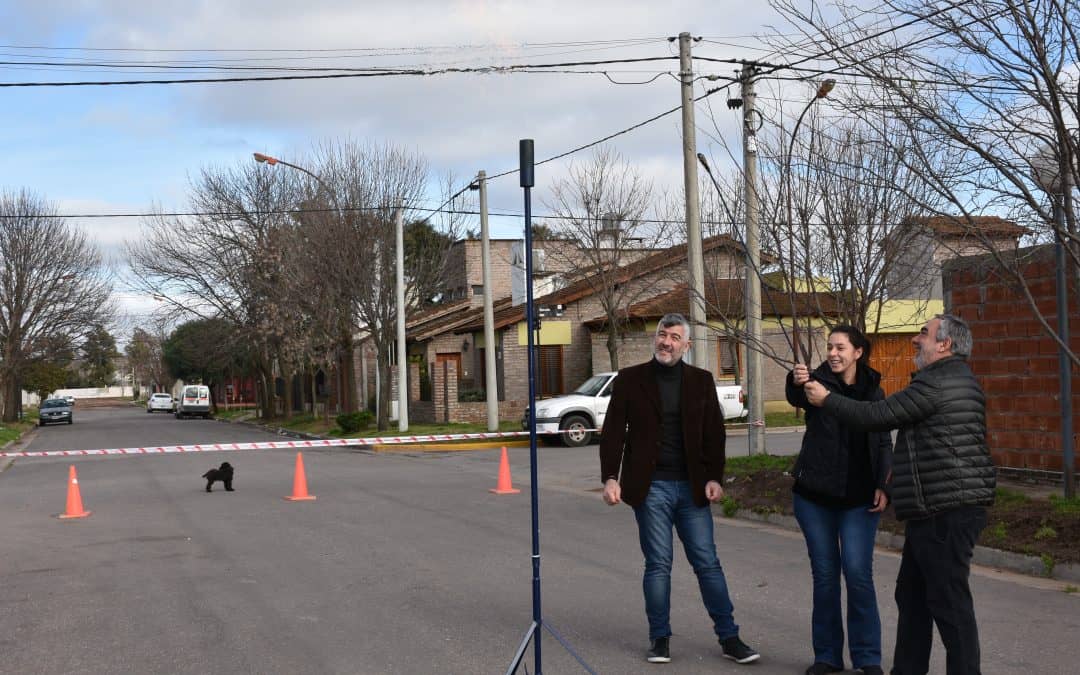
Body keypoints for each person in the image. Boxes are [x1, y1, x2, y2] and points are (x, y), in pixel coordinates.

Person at [804, 314, 995, 675]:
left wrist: (828, 399)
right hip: (935, 509)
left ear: (945, 344)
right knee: (912, 596)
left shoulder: (938, 383)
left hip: (948, 510)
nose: (915, 339)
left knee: (949, 603)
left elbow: (879, 414)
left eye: (924, 333)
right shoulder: (952, 379)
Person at [599, 313, 759, 665]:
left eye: (674, 337)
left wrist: (715, 477)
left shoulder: (701, 381)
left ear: (686, 345)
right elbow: (612, 432)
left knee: (708, 563)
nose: (665, 342)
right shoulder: (630, 380)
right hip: (650, 488)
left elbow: (714, 435)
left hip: (692, 488)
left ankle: (730, 638)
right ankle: (660, 639)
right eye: (661, 334)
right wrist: (611, 476)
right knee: (658, 564)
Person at [787, 325, 892, 675]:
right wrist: (795, 379)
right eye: (829, 346)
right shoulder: (815, 382)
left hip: (859, 499)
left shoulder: (873, 390)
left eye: (840, 347)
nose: (832, 353)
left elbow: (882, 442)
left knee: (859, 574)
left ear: (858, 352)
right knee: (826, 575)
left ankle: (867, 657)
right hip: (814, 498)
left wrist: (883, 483)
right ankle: (828, 656)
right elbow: (798, 396)